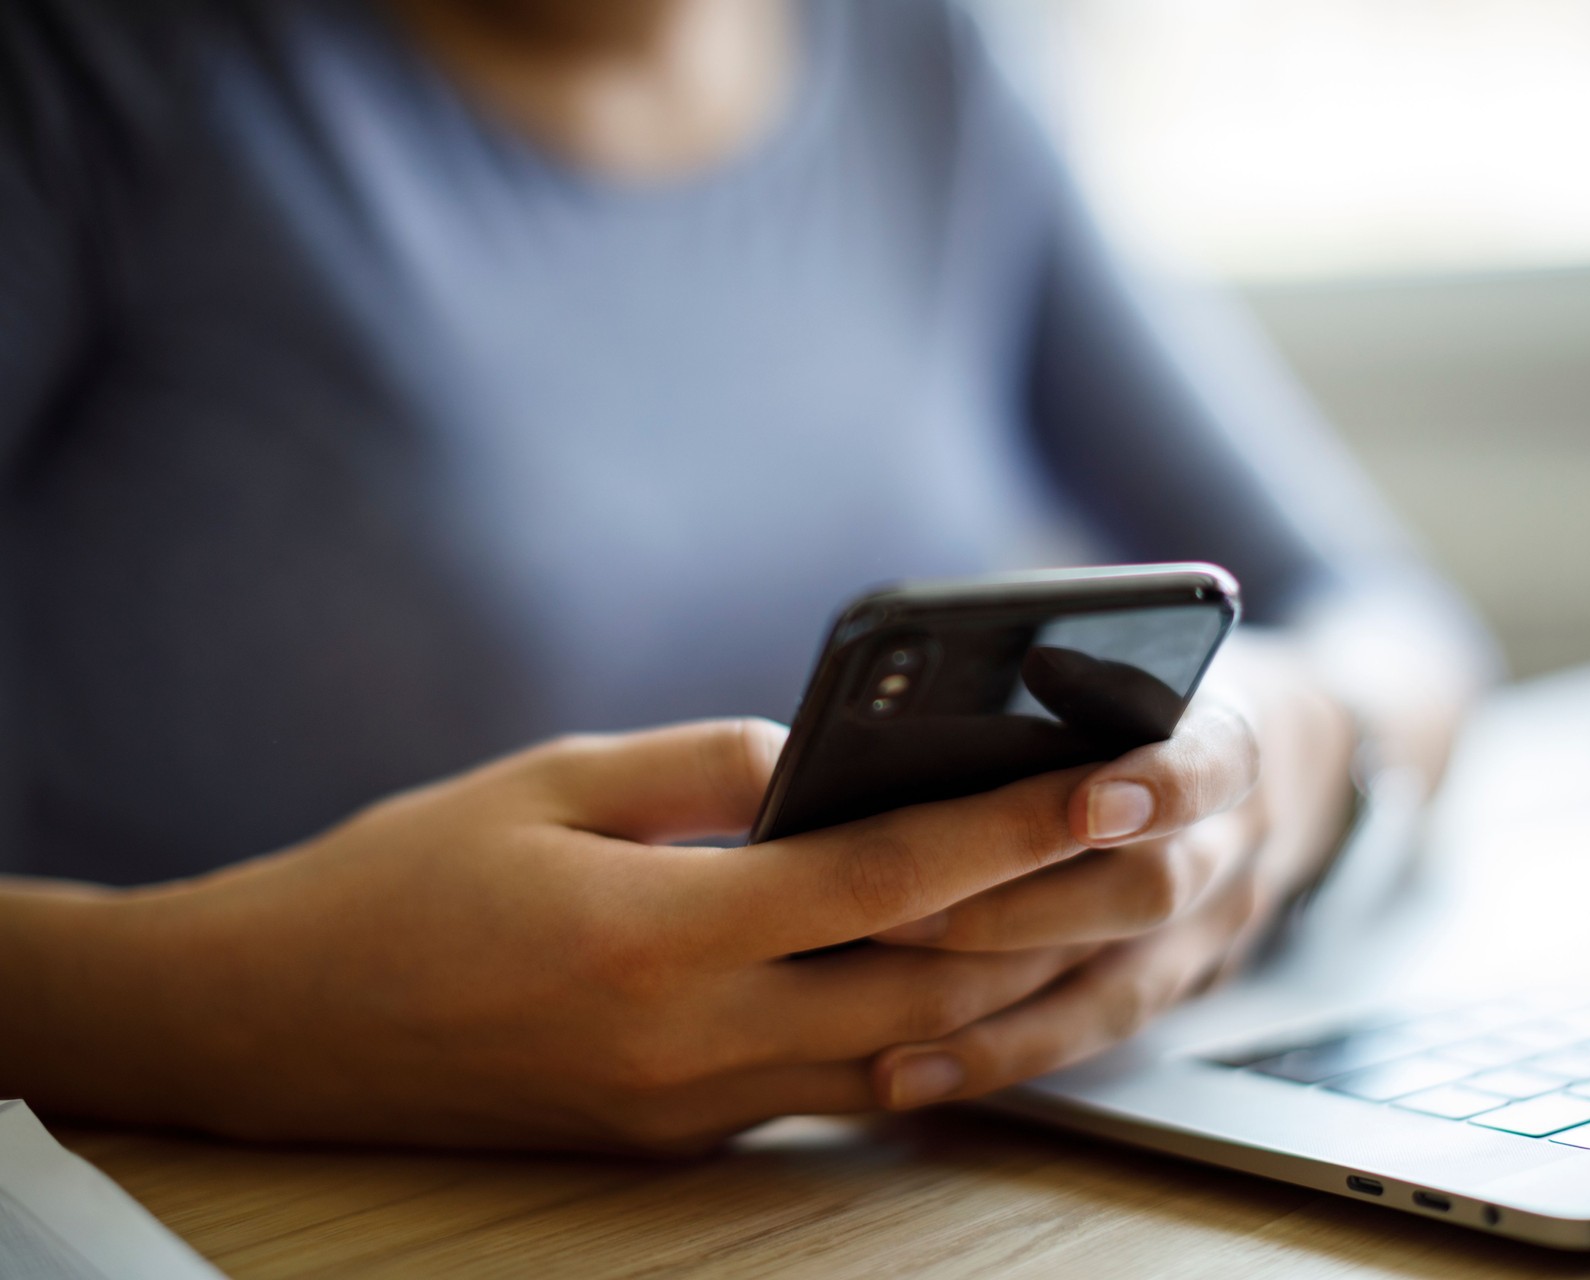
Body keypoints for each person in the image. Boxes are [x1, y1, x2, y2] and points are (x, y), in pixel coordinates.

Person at [0, 0, 1491, 1153]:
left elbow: (1387, 620)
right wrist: (245, 1023)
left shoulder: (926, 55)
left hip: (875, 1193)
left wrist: (1286, 771)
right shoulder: (89, 71)